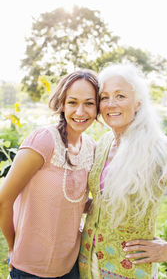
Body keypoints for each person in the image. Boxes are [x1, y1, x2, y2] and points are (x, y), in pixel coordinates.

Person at [79, 64, 167, 279]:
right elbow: (100, 202)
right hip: (87, 266)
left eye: (120, 96)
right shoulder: (104, 142)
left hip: (130, 271)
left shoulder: (159, 151)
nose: (111, 104)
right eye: (104, 97)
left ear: (138, 103)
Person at [0, 69, 99, 279]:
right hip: (29, 268)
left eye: (89, 103)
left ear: (98, 107)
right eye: (72, 102)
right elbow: (3, 200)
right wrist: (12, 247)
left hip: (71, 266)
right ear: (62, 105)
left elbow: (75, 201)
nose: (80, 111)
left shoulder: (91, 147)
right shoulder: (44, 140)